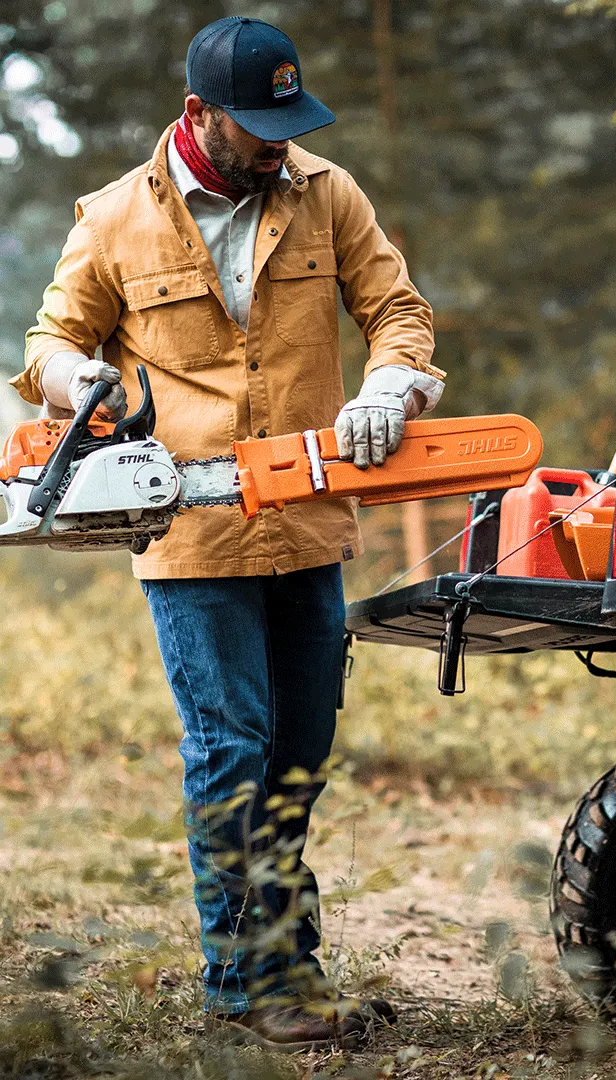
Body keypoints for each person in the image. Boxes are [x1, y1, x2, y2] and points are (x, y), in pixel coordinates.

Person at [11, 16, 443, 1051]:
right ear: (199, 114)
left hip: (308, 517)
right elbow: (49, 343)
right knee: (231, 746)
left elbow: (399, 309)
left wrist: (392, 381)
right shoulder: (115, 217)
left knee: (297, 749)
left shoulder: (326, 193)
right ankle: (242, 983)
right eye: (258, 126)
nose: (277, 145)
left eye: (289, 122)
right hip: (189, 531)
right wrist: (79, 379)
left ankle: (286, 962)